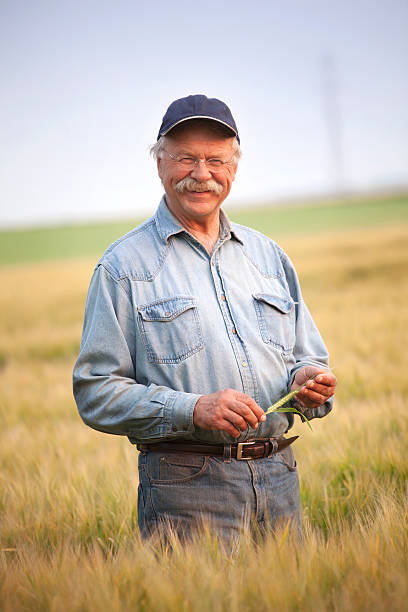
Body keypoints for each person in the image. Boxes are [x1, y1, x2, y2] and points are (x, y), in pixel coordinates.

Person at [73, 94, 337, 542]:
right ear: (160, 165)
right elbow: (95, 391)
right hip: (187, 488)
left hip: (280, 479)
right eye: (185, 159)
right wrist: (193, 408)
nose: (201, 174)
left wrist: (310, 384)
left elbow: (307, 360)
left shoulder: (268, 257)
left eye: (216, 159)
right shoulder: (123, 267)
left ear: (233, 168)